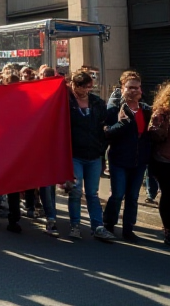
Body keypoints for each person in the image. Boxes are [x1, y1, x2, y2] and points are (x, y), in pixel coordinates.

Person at [103, 71, 153, 243]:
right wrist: (121, 123)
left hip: (139, 162)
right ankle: (108, 226)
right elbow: (107, 133)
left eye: (136, 87)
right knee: (117, 194)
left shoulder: (146, 110)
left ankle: (128, 229)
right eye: (130, 87)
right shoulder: (114, 109)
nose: (134, 91)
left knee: (132, 197)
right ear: (122, 88)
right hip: (119, 160)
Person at [67, 71, 115, 241]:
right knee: (75, 190)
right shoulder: (66, 101)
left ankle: (98, 227)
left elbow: (103, 128)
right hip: (74, 154)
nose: (87, 91)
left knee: (92, 193)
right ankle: (75, 225)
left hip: (94, 153)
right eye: (84, 87)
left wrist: (102, 153)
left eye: (89, 87)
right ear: (75, 85)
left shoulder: (97, 103)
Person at [147, 80, 170, 246]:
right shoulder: (164, 112)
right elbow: (154, 133)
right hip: (164, 161)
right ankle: (169, 230)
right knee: (169, 194)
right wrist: (163, 127)